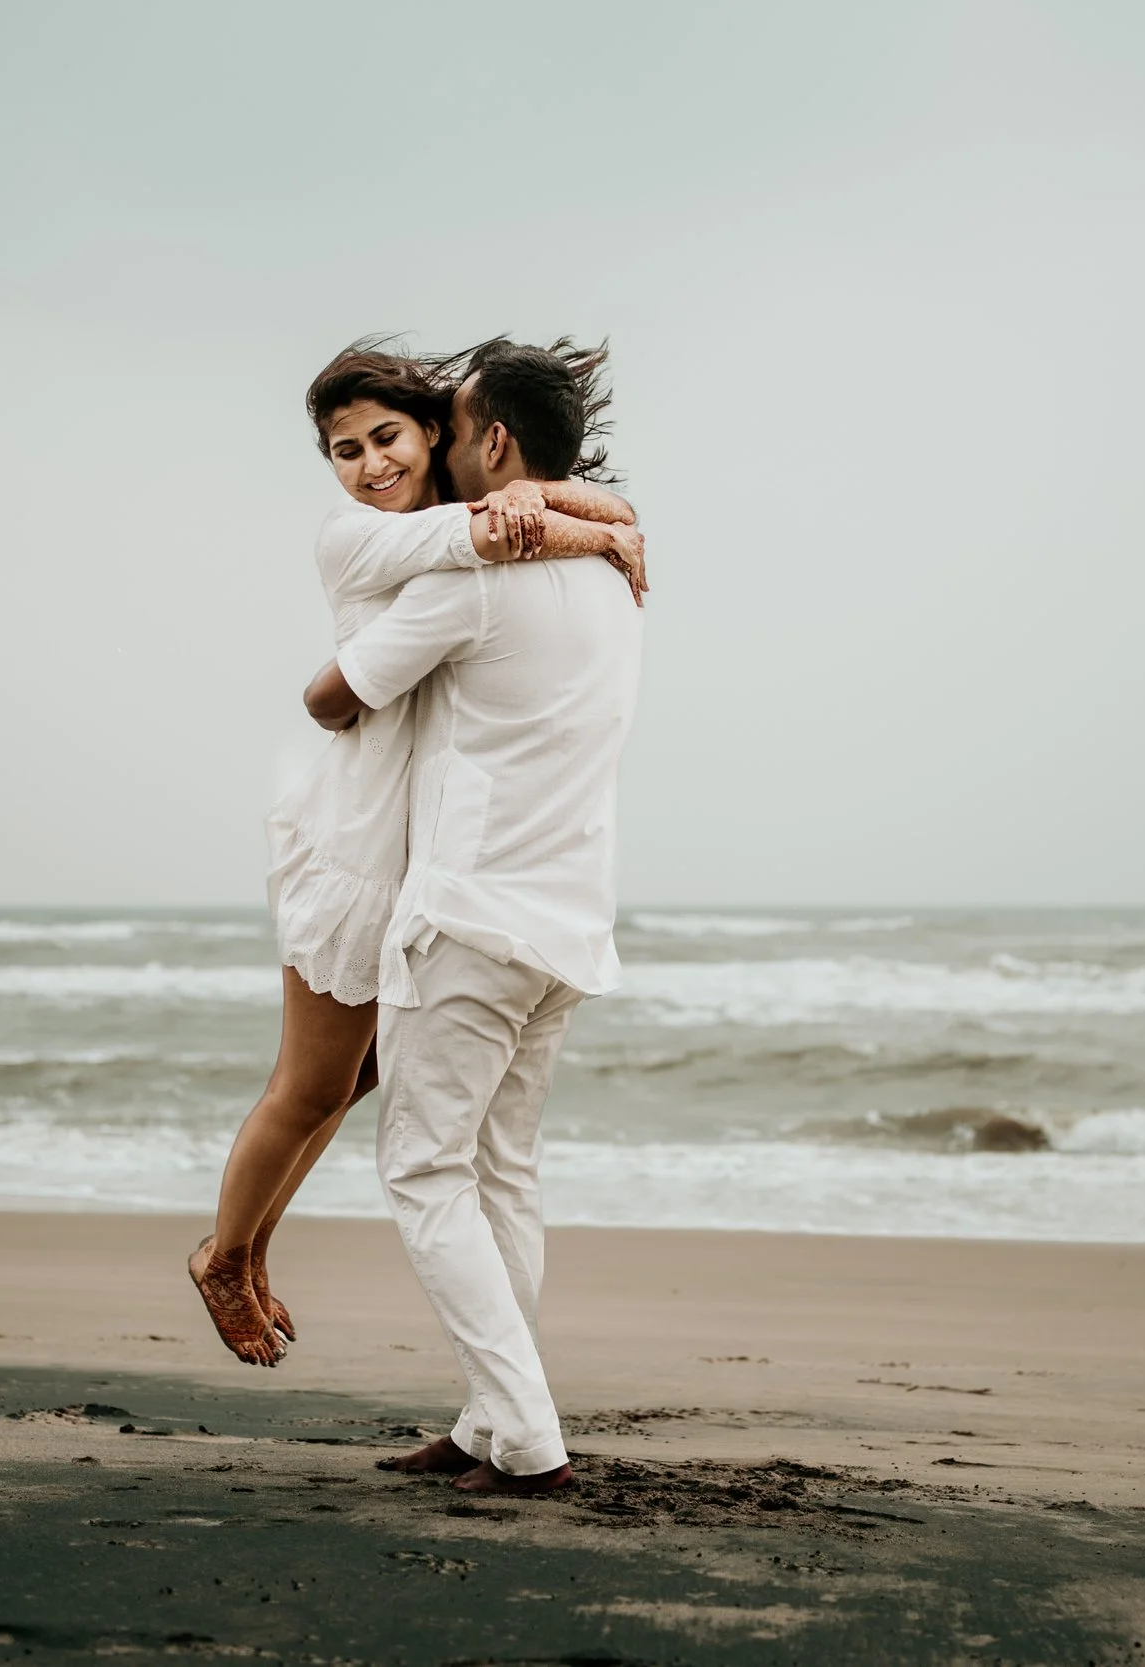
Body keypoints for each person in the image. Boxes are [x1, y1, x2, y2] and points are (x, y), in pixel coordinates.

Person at [187, 341, 645, 1367]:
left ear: (437, 433)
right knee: (310, 1083)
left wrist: (591, 517)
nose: (366, 465)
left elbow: (506, 516)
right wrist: (603, 525)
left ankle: (247, 1248)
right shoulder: (356, 539)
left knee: (355, 1082)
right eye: (341, 449)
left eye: (384, 437)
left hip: (431, 859)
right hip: (358, 845)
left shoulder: (462, 519)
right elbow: (489, 530)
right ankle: (225, 1257)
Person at [301, 338, 646, 1494]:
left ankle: (528, 1434)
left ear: (492, 443)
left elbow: (337, 696)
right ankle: (486, 1422)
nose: (430, 450)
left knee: (424, 1170)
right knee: (503, 1171)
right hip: (566, 923)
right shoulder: (615, 579)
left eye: (443, 430)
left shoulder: (470, 585)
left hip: (471, 917)